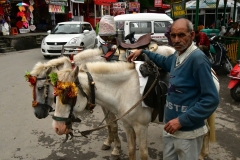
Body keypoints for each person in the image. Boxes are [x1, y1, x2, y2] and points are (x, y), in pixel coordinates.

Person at [127, 18, 219, 160]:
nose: (176, 40)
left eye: (181, 35)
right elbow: (164, 61)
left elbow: (211, 99)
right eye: (173, 36)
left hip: (187, 133)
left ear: (192, 35)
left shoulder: (198, 60)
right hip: (169, 130)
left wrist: (182, 121)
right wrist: (143, 52)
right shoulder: (178, 55)